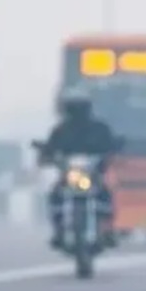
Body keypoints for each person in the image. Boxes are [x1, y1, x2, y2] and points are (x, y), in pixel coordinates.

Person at [39, 98, 120, 249]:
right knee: (55, 197)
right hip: (70, 175)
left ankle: (108, 230)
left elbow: (112, 145)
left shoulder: (99, 128)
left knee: (106, 196)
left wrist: (112, 152)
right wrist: (46, 155)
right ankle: (59, 231)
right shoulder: (61, 130)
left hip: (93, 174)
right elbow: (49, 149)